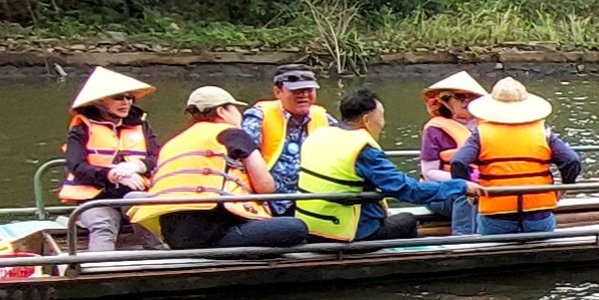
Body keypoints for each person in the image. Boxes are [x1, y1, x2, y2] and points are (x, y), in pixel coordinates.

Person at [138, 86, 309, 250]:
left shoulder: (172, 143)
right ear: (221, 111)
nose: (239, 115)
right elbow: (266, 186)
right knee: (295, 227)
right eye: (235, 109)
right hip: (213, 234)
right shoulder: (232, 134)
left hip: (174, 237)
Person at [292, 89, 468, 242]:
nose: (383, 123)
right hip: (347, 233)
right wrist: (460, 186)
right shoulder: (362, 149)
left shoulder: (319, 135)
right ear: (366, 119)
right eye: (381, 117)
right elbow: (408, 190)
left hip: (311, 227)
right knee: (407, 221)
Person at [449, 78, 587, 235]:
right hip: (538, 214)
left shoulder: (481, 133)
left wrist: (468, 190)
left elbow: (458, 162)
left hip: (496, 216)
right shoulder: (543, 131)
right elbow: (572, 160)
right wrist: (564, 187)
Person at [57, 66, 163, 253]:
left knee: (143, 209)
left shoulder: (141, 126)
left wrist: (137, 166)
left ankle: (164, 257)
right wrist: (112, 174)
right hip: (96, 199)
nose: (126, 102)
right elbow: (77, 166)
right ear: (100, 101)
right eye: (118, 98)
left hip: (133, 194)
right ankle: (99, 267)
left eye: (129, 98)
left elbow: (158, 157)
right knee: (103, 225)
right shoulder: (82, 128)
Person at [245, 66, 330, 195]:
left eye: (309, 90)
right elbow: (242, 154)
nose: (304, 95)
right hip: (269, 199)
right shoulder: (258, 116)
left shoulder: (323, 117)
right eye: (296, 91)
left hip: (313, 197)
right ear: (278, 92)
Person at [419, 71, 486, 181]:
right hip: (452, 187)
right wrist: (466, 180)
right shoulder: (435, 130)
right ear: (446, 101)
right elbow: (429, 172)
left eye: (472, 97)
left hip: (490, 184)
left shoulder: (489, 125)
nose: (466, 101)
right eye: (460, 97)